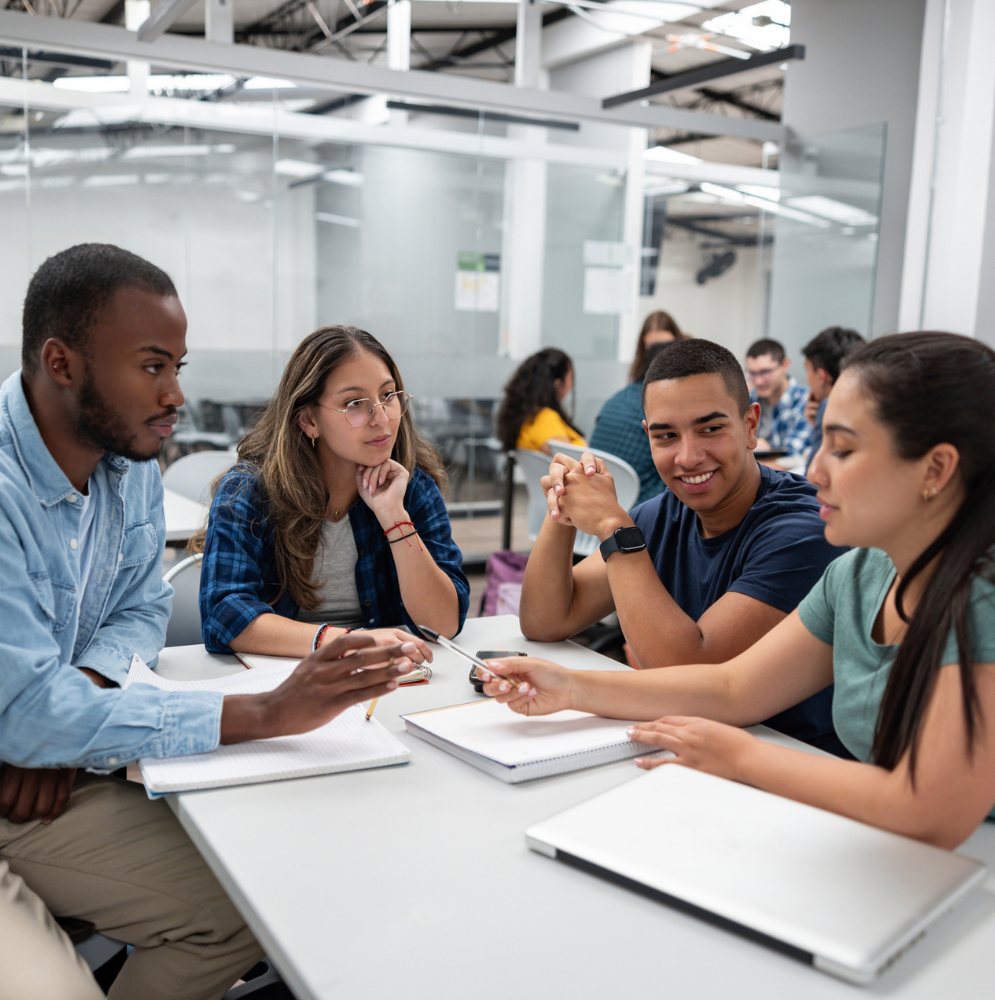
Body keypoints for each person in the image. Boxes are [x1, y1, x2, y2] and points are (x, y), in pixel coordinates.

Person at [0, 244, 416, 1000]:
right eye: (152, 366)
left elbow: (141, 609)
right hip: (16, 776)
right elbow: (26, 716)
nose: (175, 396)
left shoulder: (128, 470)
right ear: (61, 363)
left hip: (42, 772)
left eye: (178, 369)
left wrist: (79, 698)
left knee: (251, 901)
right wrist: (266, 711)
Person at [486, 331, 995, 848]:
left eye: (842, 449)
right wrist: (570, 687)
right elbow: (732, 687)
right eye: (820, 441)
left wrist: (741, 757)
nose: (816, 470)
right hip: (878, 840)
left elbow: (932, 811)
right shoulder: (861, 573)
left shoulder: (983, 595)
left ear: (936, 469)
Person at [518, 339, 847, 753]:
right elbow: (544, 620)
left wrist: (612, 525)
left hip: (794, 758)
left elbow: (692, 673)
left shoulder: (802, 528)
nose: (688, 456)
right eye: (667, 436)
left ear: (750, 425)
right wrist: (563, 502)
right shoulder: (663, 513)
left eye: (710, 429)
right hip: (695, 749)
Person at [198, 326, 469, 658]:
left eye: (388, 395)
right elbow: (224, 617)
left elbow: (443, 623)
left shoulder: (413, 488)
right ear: (309, 420)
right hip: (285, 680)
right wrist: (348, 643)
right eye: (355, 403)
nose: (382, 418)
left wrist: (393, 516)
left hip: (384, 679)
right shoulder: (250, 491)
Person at [590, 310, 684, 504]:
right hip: (637, 505)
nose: (662, 354)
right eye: (655, 348)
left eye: (668, 347)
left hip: (602, 502)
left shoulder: (618, 399)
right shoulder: (656, 407)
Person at [495, 347, 585, 455]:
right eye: (571, 377)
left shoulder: (527, 418)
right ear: (558, 383)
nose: (572, 384)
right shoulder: (544, 419)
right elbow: (568, 460)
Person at [801, 326, 865, 469]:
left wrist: (821, 423)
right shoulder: (867, 403)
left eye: (808, 370)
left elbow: (810, 481)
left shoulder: (828, 407)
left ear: (821, 376)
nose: (808, 379)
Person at [745, 338, 811, 469]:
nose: (758, 381)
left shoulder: (806, 401)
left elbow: (793, 456)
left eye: (765, 372)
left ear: (785, 365)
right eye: (752, 373)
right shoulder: (750, 399)